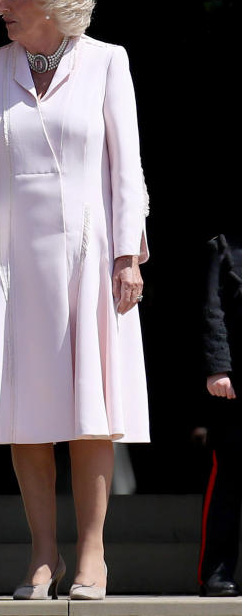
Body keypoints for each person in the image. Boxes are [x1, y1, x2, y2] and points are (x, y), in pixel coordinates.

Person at [0, 0, 150, 601]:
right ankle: (42, 556)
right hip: (13, 262)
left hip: (90, 257)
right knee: (25, 412)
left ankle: (93, 557)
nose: (3, 7)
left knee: (91, 409)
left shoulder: (108, 61)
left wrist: (129, 254)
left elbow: (127, 170)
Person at [198, 232, 242, 597]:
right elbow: (213, 308)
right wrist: (218, 367)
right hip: (234, 385)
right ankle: (216, 571)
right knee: (229, 474)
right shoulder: (222, 244)